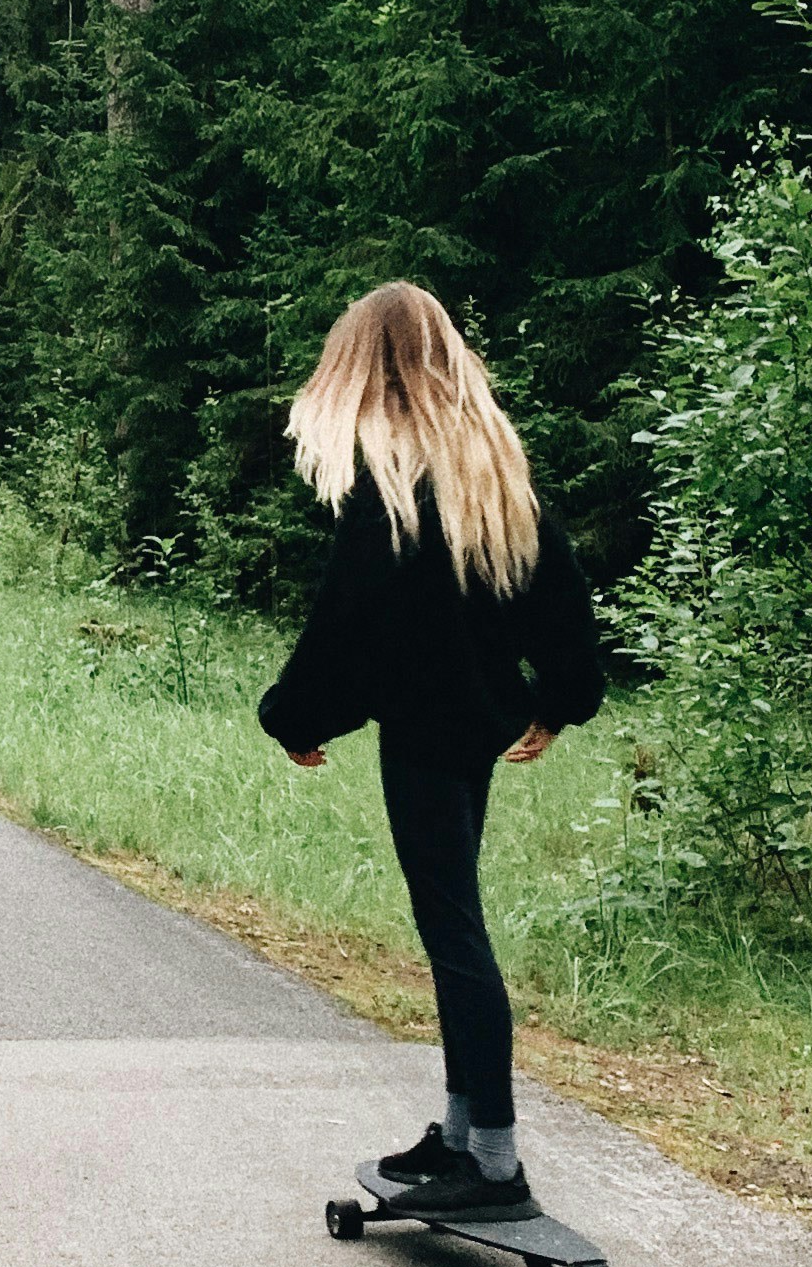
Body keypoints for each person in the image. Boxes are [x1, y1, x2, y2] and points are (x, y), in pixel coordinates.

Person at [258, 282, 605, 1218]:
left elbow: (348, 628)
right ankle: (459, 1132)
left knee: (454, 933)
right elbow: (560, 593)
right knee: (453, 924)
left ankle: (492, 1161)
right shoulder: (488, 468)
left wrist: (294, 716)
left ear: (366, 366)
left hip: (422, 733)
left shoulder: (394, 489)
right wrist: (561, 700)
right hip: (474, 730)